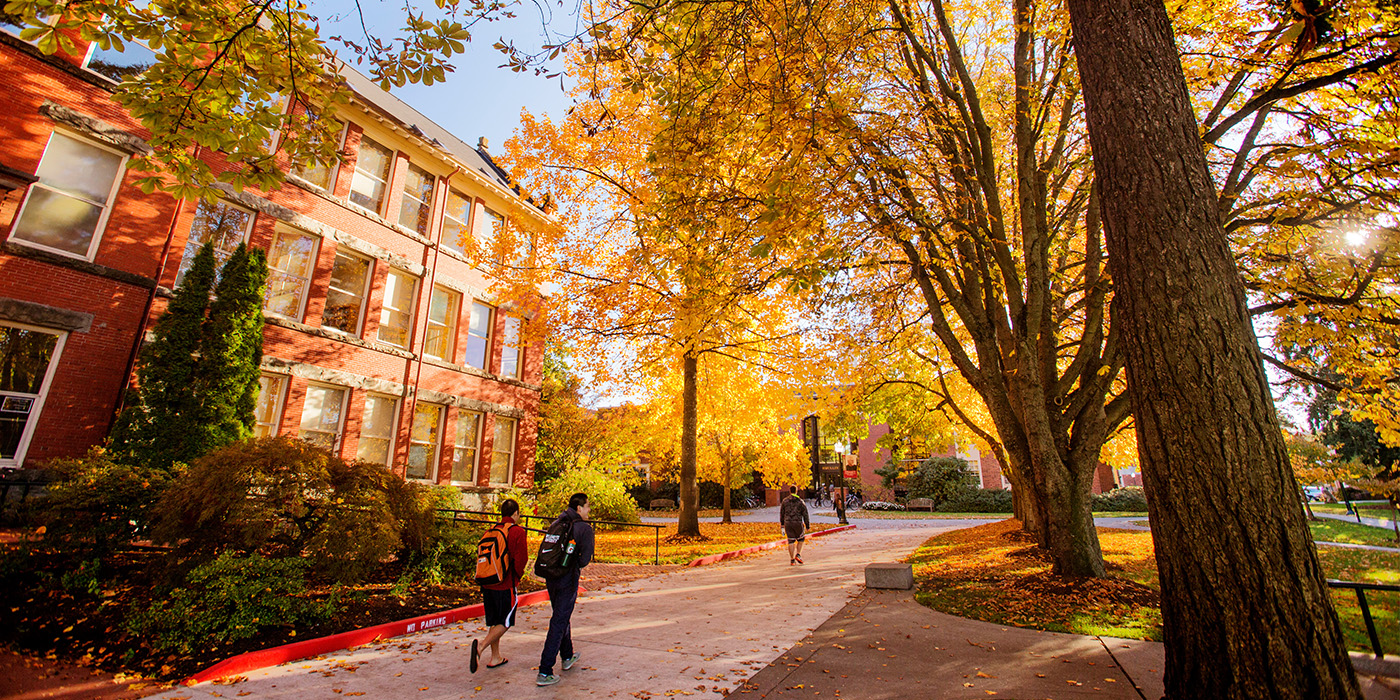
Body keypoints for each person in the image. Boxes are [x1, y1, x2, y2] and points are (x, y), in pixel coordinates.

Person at [537, 492, 595, 687]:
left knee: (561, 615)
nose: (589, 510)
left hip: (551, 577)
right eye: (587, 507)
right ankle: (545, 670)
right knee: (559, 620)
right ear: (579, 508)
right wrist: (572, 565)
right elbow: (585, 559)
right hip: (567, 579)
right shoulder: (583, 528)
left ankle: (567, 655)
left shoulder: (557, 523)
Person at [472, 498, 528, 673]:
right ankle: (481, 647)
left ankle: (495, 657)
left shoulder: (491, 530)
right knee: (505, 622)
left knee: (495, 621)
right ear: (516, 513)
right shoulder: (517, 531)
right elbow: (521, 559)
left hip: (488, 582)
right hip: (506, 584)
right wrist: (517, 576)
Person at [780, 485, 810, 565]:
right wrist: (807, 525)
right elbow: (805, 514)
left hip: (788, 523)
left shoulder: (785, 501)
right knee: (801, 539)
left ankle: (792, 559)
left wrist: (782, 524)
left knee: (791, 541)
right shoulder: (800, 501)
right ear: (796, 491)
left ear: (790, 491)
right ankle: (798, 554)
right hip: (798, 522)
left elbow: (782, 513)